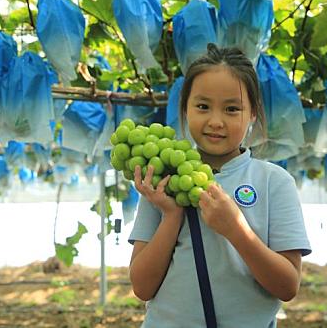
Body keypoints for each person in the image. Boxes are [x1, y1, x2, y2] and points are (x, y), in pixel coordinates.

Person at [128, 43, 312, 327]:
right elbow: (142, 287)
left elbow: (288, 286)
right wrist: (171, 216)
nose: (216, 121)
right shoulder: (163, 180)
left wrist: (236, 229)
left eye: (231, 109)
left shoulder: (274, 182)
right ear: (185, 109)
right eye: (202, 106)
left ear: (252, 114)